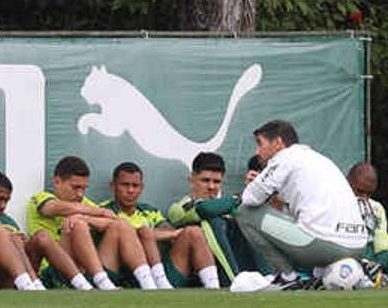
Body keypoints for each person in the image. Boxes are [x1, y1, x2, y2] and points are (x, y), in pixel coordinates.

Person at [235, 120, 371, 288]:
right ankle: (338, 274)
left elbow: (250, 198)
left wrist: (255, 184)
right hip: (358, 247)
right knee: (299, 219)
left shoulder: (285, 157)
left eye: (260, 143)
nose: (257, 151)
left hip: (327, 247)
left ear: (278, 143)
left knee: (245, 213)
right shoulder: (316, 158)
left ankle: (288, 277)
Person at [105, 162, 217, 289]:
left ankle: (214, 288)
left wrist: (168, 234)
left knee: (193, 232)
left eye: (135, 186)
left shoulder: (149, 210)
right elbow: (132, 235)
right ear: (113, 186)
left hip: (163, 273)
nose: (130, 190)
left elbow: (170, 231)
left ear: (141, 188)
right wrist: (161, 234)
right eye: (125, 185)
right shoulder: (106, 211)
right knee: (144, 232)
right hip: (130, 276)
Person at [24, 156, 126, 290]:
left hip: (84, 270)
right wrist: (97, 213)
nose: (80, 194)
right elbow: (52, 208)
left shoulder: (85, 204)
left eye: (84, 189)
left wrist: (87, 218)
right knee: (77, 224)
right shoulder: (40, 198)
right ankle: (102, 282)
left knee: (120, 226)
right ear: (57, 181)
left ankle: (152, 284)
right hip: (52, 270)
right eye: (75, 187)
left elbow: (115, 222)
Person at [167, 152, 245, 285]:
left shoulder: (228, 208)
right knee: (211, 219)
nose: (211, 187)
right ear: (192, 180)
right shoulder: (179, 208)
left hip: (233, 271)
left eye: (217, 182)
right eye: (205, 180)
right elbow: (205, 209)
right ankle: (234, 280)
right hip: (191, 278)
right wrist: (239, 198)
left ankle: (269, 276)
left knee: (246, 221)